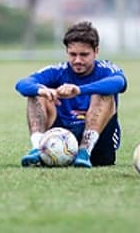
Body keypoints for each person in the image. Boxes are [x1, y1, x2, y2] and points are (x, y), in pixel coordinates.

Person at [16, 21, 127, 168]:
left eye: (84, 55)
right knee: (35, 93)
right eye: (72, 54)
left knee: (104, 93)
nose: (77, 60)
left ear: (96, 51)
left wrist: (79, 90)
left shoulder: (107, 69)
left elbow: (120, 83)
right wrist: (43, 90)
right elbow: (22, 84)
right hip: (59, 141)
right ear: (66, 52)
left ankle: (84, 152)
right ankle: (38, 149)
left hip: (98, 146)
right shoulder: (57, 70)